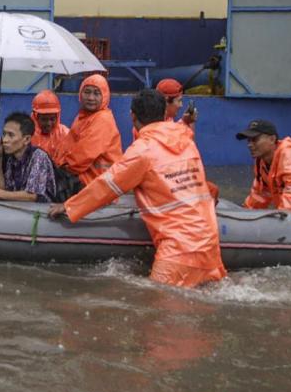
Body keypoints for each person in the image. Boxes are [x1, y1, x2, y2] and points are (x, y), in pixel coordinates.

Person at [49, 89, 226, 288]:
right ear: (164, 113)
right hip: (210, 245)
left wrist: (69, 206)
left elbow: (107, 186)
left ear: (133, 116)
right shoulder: (185, 140)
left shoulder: (142, 151)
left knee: (158, 312)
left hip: (178, 252)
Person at [0, 113, 56, 204]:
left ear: (26, 139)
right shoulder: (12, 158)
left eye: (11, 135)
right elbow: (2, 190)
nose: (5, 140)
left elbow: (32, 196)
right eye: (4, 134)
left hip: (41, 213)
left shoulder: (39, 157)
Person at [54, 74, 123, 186]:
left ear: (105, 96)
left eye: (96, 93)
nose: (91, 98)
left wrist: (59, 170)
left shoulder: (103, 120)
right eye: (87, 92)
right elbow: (67, 145)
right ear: (80, 94)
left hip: (96, 183)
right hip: (86, 178)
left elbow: (83, 156)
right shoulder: (83, 116)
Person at [30, 89, 69, 162]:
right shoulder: (27, 134)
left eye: (52, 119)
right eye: (44, 119)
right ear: (36, 117)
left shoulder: (65, 134)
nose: (48, 123)